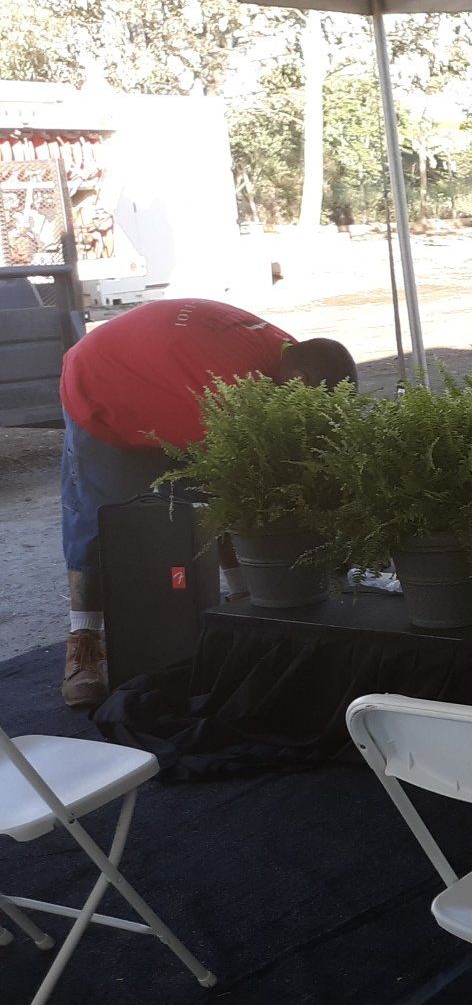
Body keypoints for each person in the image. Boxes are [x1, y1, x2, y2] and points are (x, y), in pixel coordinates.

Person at [57, 298, 356, 707]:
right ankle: (84, 643)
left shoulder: (294, 357)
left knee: (220, 498)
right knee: (99, 517)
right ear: (299, 379)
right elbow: (249, 484)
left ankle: (242, 606)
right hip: (104, 380)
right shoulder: (236, 390)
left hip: (172, 377)